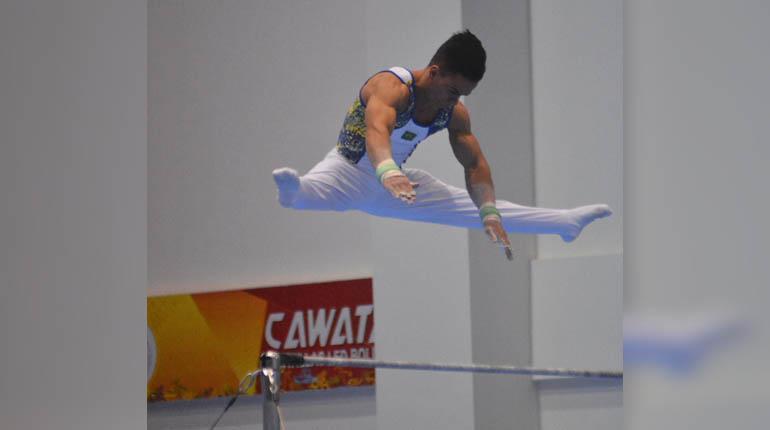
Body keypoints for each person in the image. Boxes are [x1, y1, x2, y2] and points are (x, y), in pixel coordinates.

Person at [272, 30, 611, 260]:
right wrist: (387, 171)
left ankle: (564, 222)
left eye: (463, 94)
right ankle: (294, 190)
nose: (456, 100)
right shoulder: (391, 87)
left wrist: (488, 212)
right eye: (453, 91)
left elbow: (475, 164)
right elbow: (376, 129)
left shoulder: (454, 112)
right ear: (434, 72)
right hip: (349, 170)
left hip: (399, 186)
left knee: (476, 210)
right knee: (308, 196)